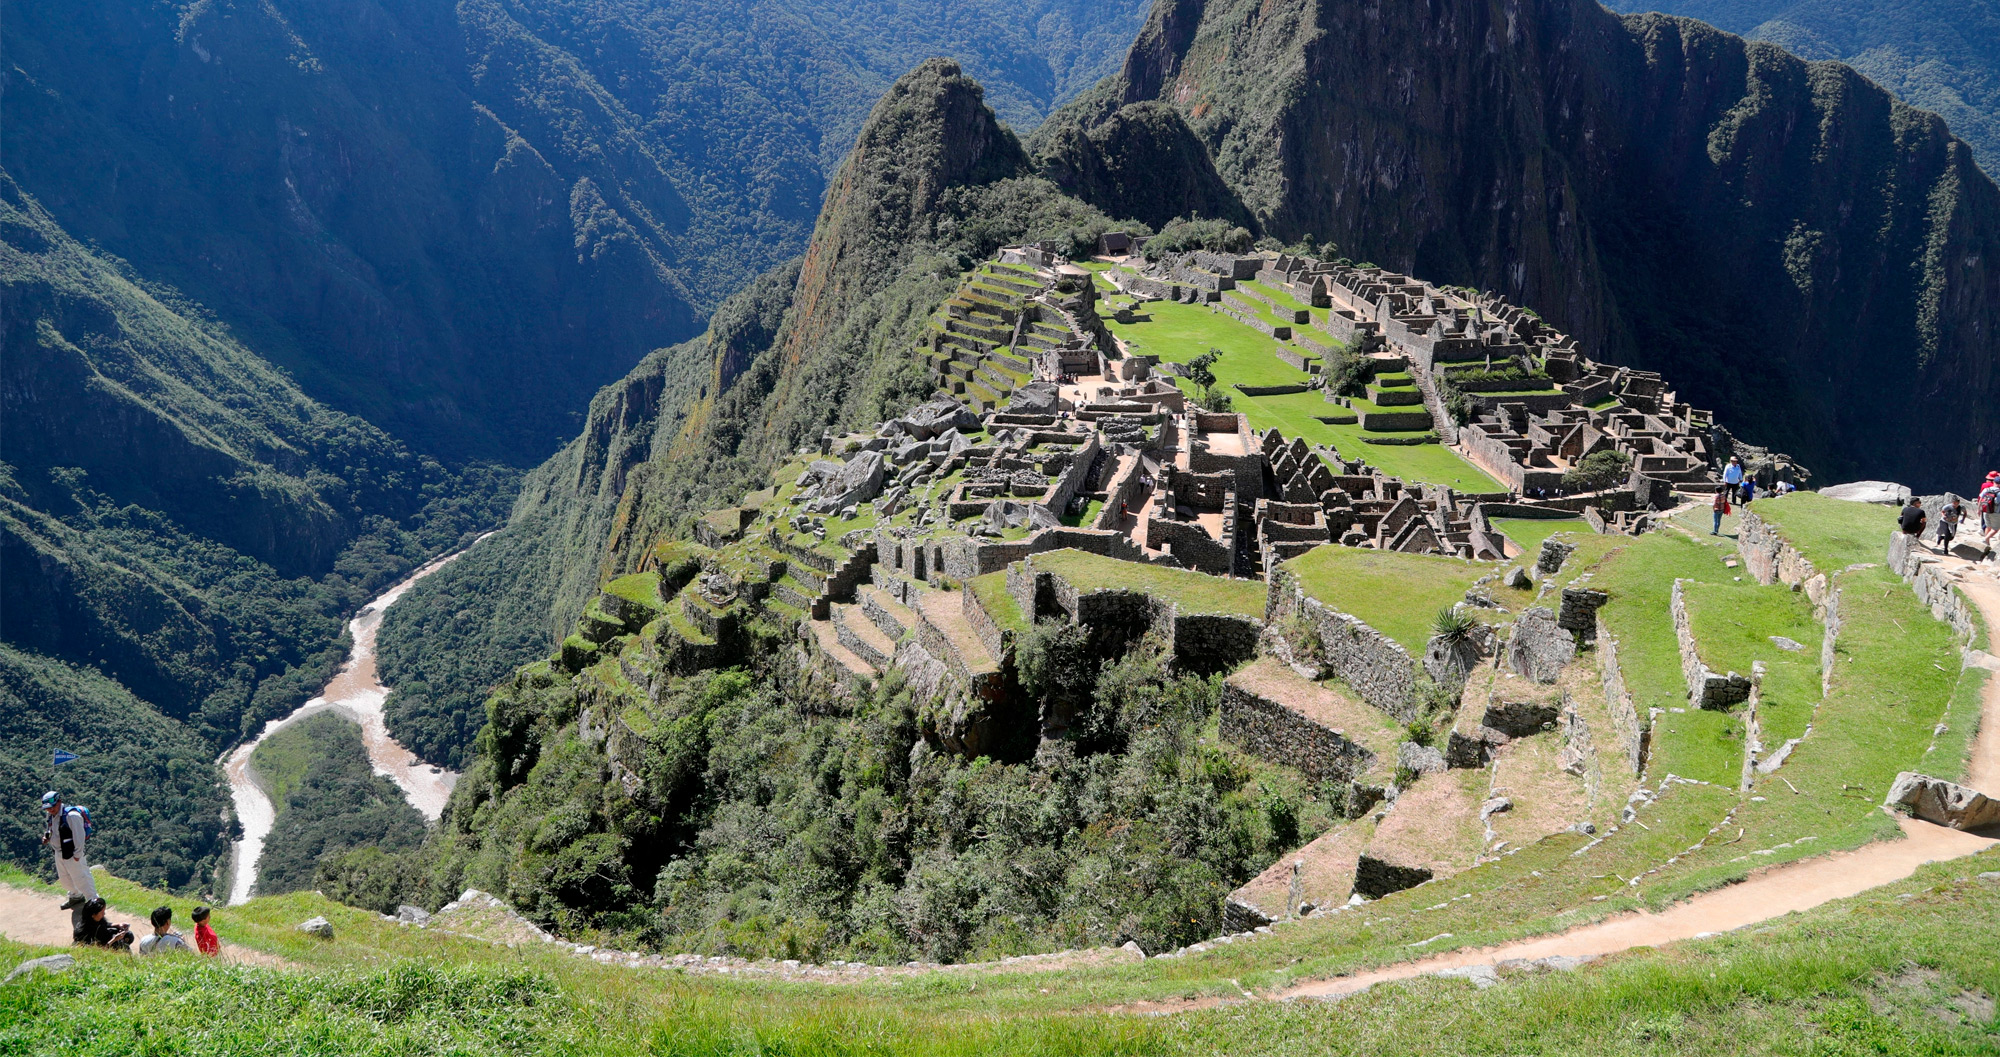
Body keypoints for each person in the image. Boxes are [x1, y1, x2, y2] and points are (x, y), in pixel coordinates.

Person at [40, 791, 97, 908]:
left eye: (52, 807)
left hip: (72, 853)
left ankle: (94, 903)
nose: (50, 810)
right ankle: (76, 897)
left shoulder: (72, 816)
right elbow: (52, 829)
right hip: (59, 852)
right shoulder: (50, 815)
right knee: (65, 879)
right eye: (48, 808)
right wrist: (47, 837)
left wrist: (77, 855)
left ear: (59, 802)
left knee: (82, 878)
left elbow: (79, 837)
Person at [1981, 471, 2000, 545]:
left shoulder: (1987, 489)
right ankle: (1985, 539)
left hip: (1986, 510)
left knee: (1988, 527)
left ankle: (1987, 544)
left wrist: (1979, 509)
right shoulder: (1999, 492)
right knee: (1995, 529)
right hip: (1996, 512)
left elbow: (1981, 498)